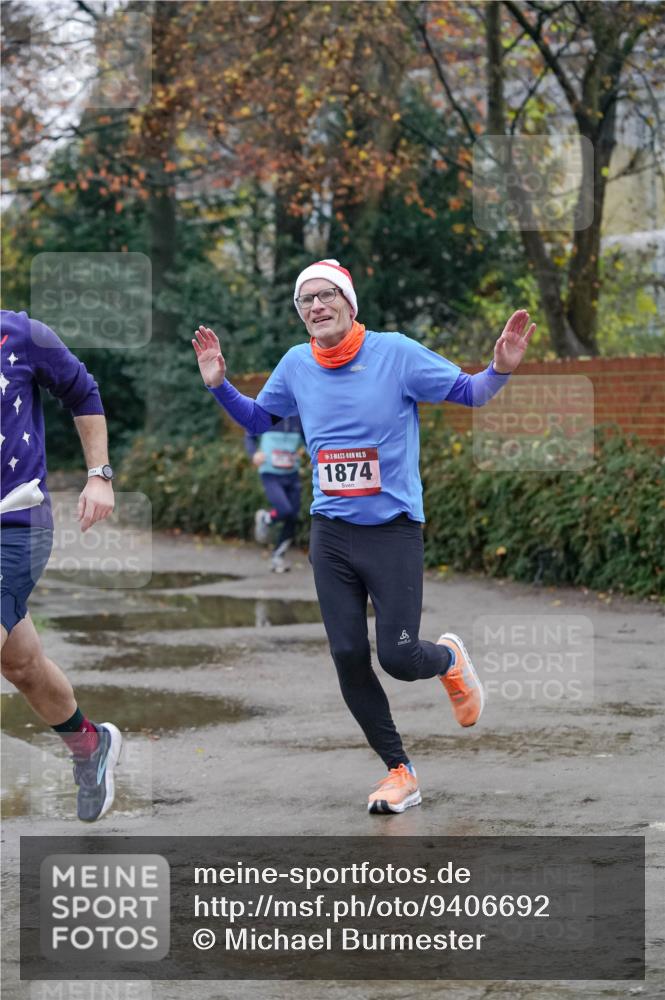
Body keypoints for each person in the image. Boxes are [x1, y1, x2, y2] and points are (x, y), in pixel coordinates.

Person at [193, 259, 534, 814]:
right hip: (331, 532)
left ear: (350, 304)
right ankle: (400, 771)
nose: (317, 306)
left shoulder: (395, 352)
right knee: (349, 654)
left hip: (393, 531)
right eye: (306, 300)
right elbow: (259, 420)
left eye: (327, 296)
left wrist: (499, 369)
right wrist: (219, 385)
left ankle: (447, 660)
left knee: (398, 656)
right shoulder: (297, 364)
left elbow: (470, 393)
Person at [0, 309, 121, 822]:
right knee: (21, 665)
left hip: (15, 525)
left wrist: (100, 474)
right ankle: (90, 746)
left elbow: (82, 390)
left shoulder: (20, 334)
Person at [245, 415, 304, 572]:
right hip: (270, 473)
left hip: (292, 474)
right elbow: (249, 436)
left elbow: (310, 440)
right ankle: (265, 517)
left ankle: (278, 557)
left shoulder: (299, 416)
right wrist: (253, 454)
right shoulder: (267, 413)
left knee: (293, 517)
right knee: (285, 510)